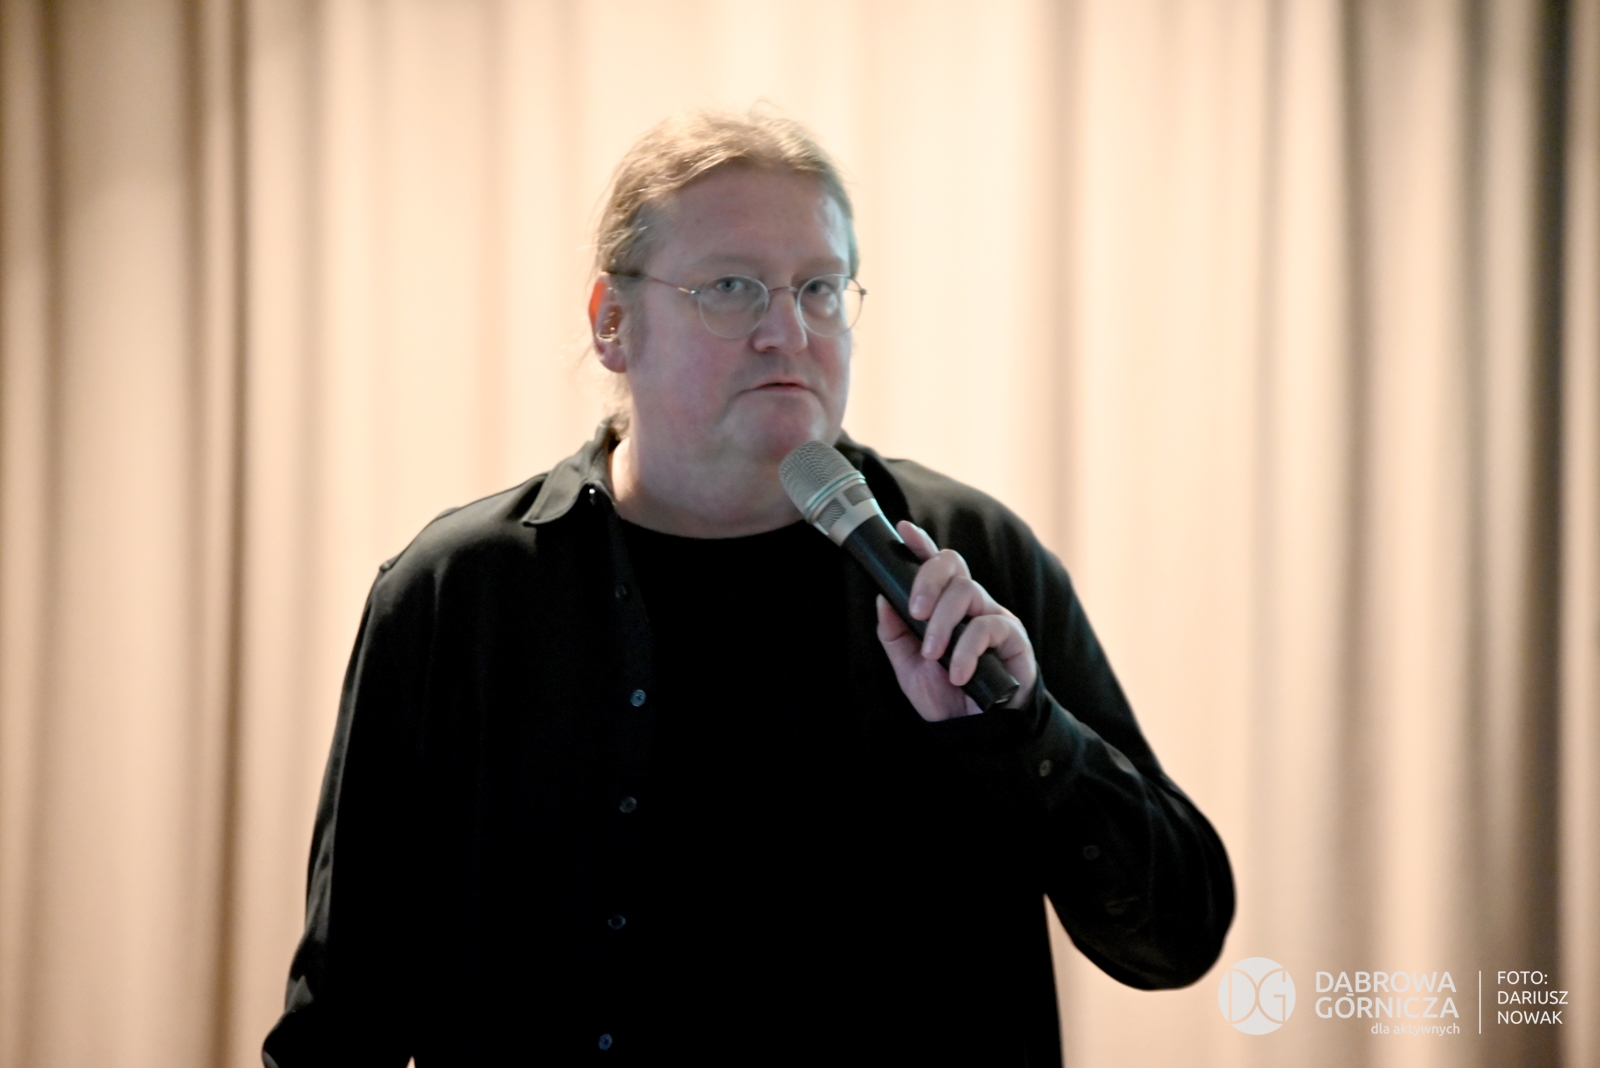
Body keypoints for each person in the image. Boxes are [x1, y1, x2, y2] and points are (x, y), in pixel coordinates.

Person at [263, 110, 1233, 1067]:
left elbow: (1175, 938)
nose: (787, 332)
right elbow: (342, 1024)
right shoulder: (460, 598)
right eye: (731, 287)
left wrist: (1024, 730)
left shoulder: (966, 559)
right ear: (611, 323)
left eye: (819, 288)